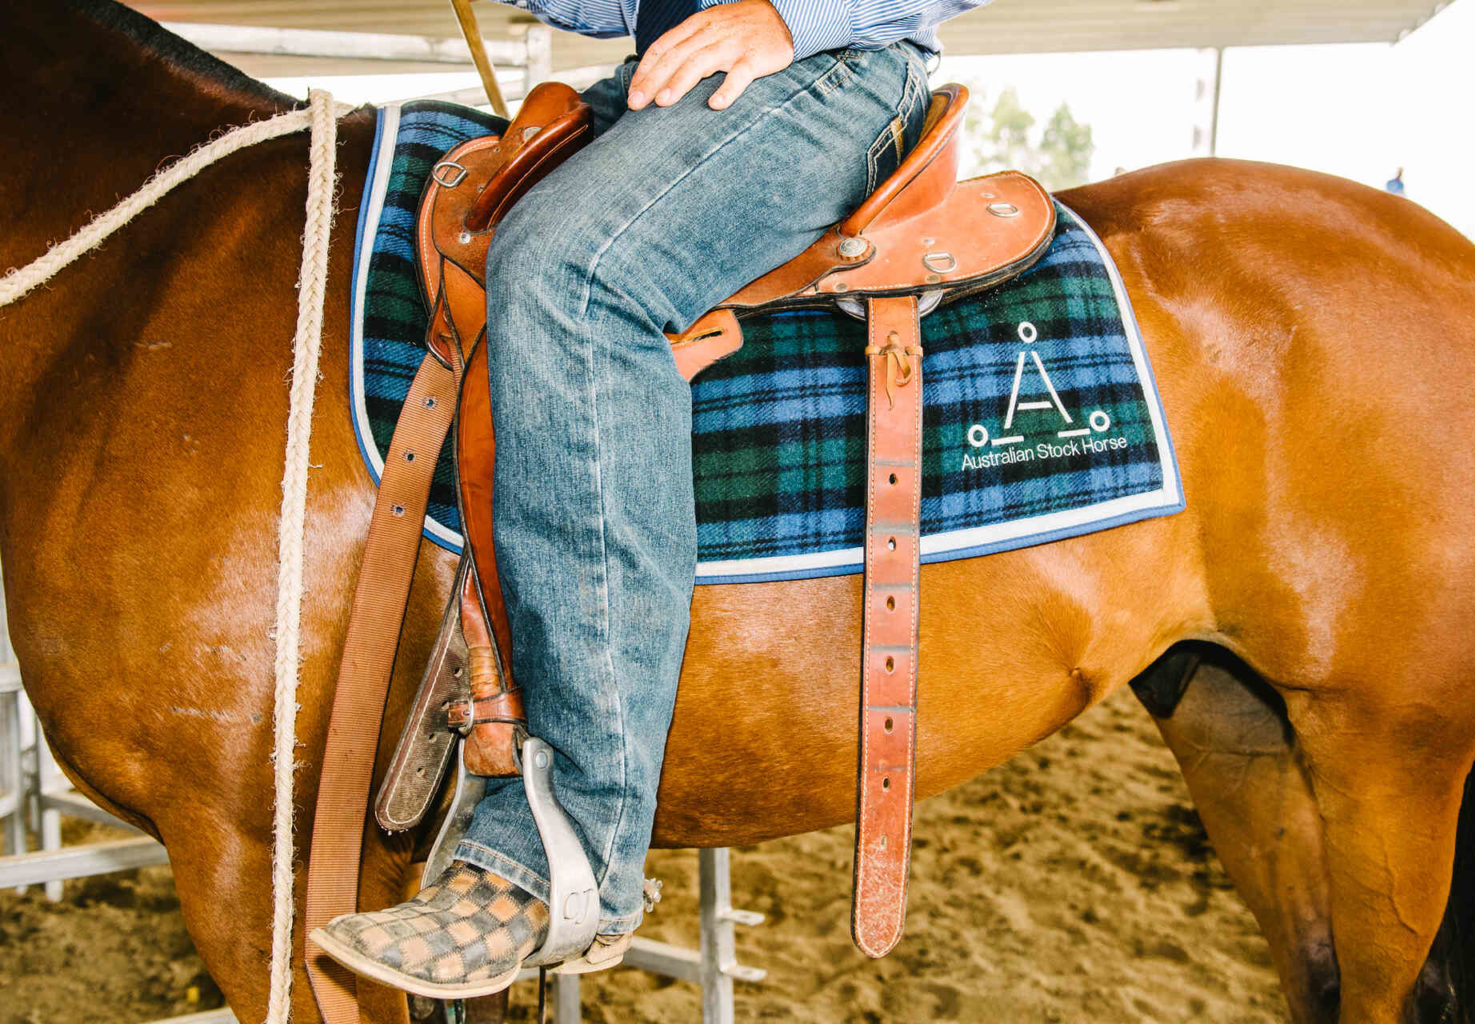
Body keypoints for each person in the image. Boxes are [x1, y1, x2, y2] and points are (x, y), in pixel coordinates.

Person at [313, 0, 984, 997]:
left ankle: (568, 853)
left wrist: (789, 17)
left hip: (831, 63)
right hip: (672, 73)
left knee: (567, 275)